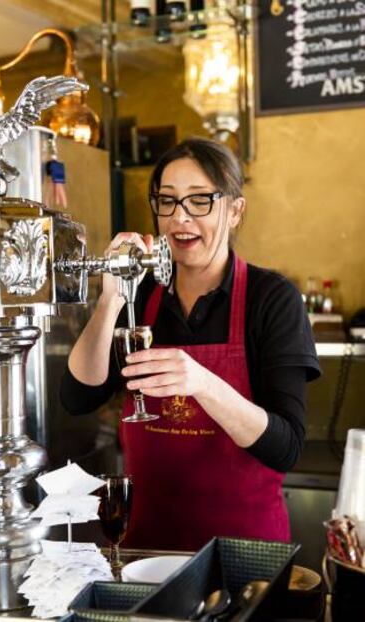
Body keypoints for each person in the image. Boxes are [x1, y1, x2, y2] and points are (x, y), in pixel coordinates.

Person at [61, 137, 320, 552]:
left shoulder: (271, 298)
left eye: (200, 200)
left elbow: (286, 447)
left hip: (246, 551)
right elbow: (78, 396)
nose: (180, 218)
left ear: (235, 210)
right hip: (147, 548)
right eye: (167, 201)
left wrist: (202, 383)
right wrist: (111, 296)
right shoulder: (142, 293)